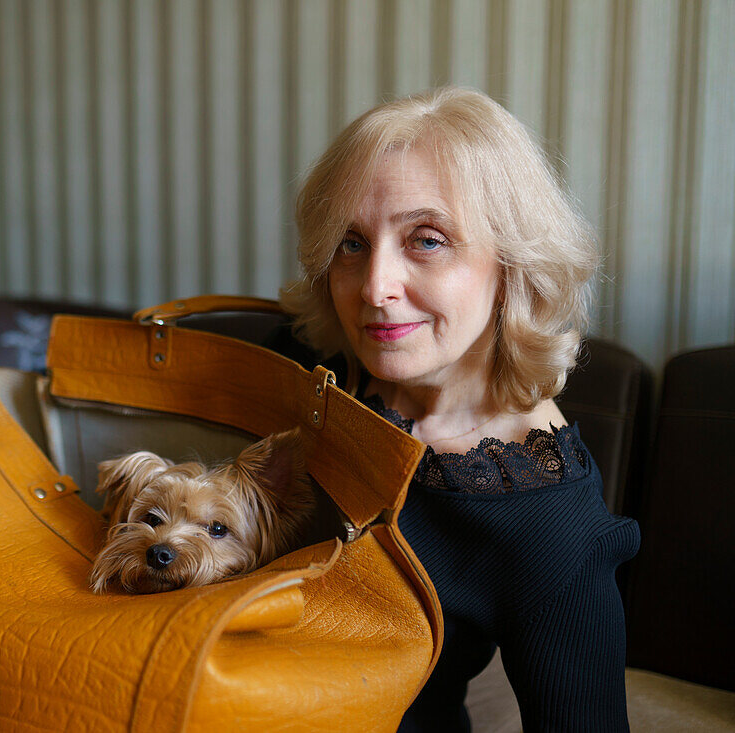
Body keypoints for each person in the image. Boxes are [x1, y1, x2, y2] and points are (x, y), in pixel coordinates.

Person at [277, 87, 640, 731]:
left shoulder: (549, 522)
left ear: (511, 264)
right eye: (352, 244)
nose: (374, 288)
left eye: (427, 239)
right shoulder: (316, 377)